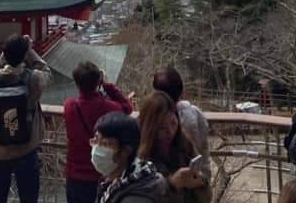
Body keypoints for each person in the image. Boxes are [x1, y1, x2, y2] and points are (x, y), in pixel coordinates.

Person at [0, 34, 52, 203]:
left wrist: (6, 53)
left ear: (5, 55)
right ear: (24, 55)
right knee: (29, 198)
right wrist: (29, 50)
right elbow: (46, 71)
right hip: (27, 147)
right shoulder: (34, 79)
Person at [65, 61, 135, 203]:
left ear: (77, 83)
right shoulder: (110, 107)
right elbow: (127, 108)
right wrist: (108, 85)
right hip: (101, 174)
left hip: (74, 175)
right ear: (98, 81)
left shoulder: (70, 106)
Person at [137, 92, 210, 203]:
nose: (170, 132)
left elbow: (206, 195)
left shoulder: (184, 144)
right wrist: (172, 184)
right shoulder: (136, 155)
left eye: (173, 123)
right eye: (162, 128)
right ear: (150, 128)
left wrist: (201, 183)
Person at [92, 111, 166, 203]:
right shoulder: (113, 179)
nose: (97, 149)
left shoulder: (136, 197)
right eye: (95, 140)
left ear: (126, 151)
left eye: (106, 144)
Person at [151, 67, 210, 181]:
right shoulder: (195, 113)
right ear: (182, 90)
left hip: (172, 184)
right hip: (198, 176)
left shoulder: (154, 121)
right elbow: (204, 146)